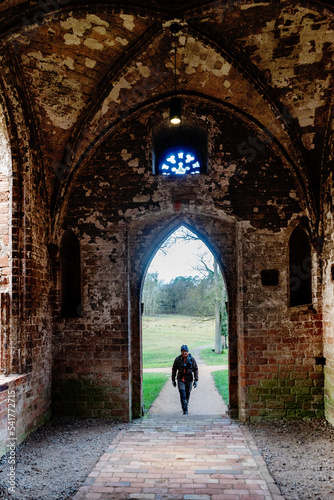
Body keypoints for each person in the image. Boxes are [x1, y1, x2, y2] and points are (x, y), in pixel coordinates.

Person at [171, 345, 199, 415]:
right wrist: (173, 379)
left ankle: (185, 404)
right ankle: (185, 410)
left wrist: (196, 380)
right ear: (181, 352)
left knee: (187, 394)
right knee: (182, 394)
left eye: (185, 352)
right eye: (183, 351)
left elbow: (195, 369)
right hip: (180, 379)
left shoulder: (191, 359)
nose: (184, 353)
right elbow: (174, 369)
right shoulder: (177, 359)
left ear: (188, 352)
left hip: (189, 379)